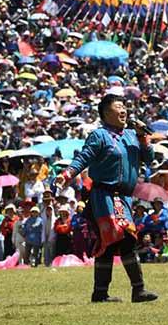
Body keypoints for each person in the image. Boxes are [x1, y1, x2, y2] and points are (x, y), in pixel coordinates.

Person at [57, 94, 159, 303]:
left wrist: (143, 138)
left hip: (124, 198)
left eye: (124, 106)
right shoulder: (99, 135)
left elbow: (149, 159)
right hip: (104, 196)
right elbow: (84, 158)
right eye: (118, 106)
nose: (124, 110)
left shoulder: (132, 135)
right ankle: (126, 290)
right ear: (105, 113)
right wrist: (67, 174)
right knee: (117, 239)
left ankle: (113, 292)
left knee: (119, 241)